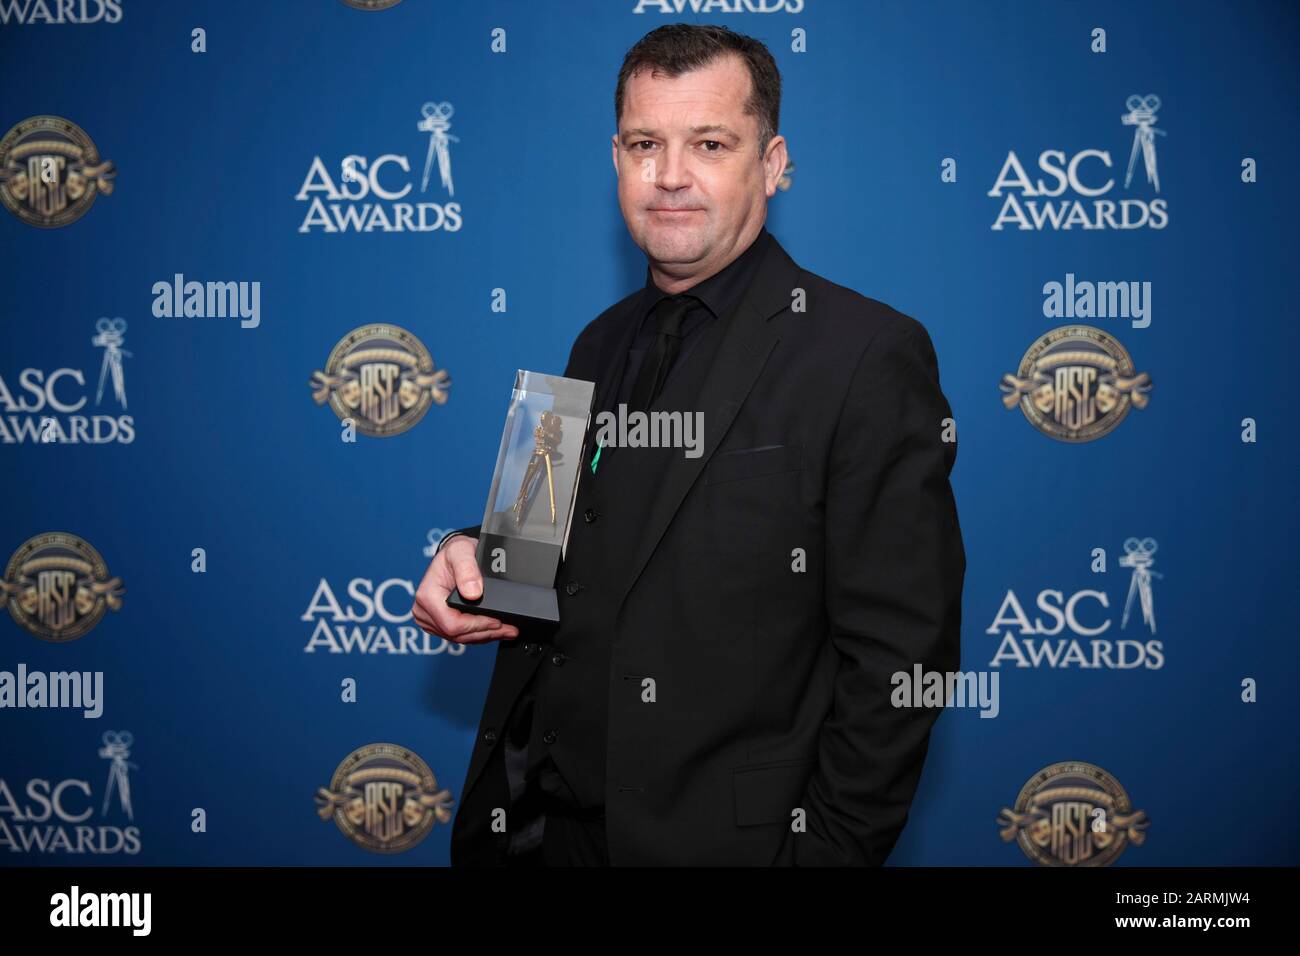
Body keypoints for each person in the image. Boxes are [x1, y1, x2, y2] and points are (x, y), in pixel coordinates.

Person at [412, 23, 965, 866]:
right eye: (645, 144)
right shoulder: (591, 344)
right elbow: (529, 562)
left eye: (709, 143)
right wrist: (464, 551)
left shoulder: (866, 354)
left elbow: (902, 666)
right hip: (537, 837)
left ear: (773, 164)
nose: (670, 176)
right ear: (616, 159)